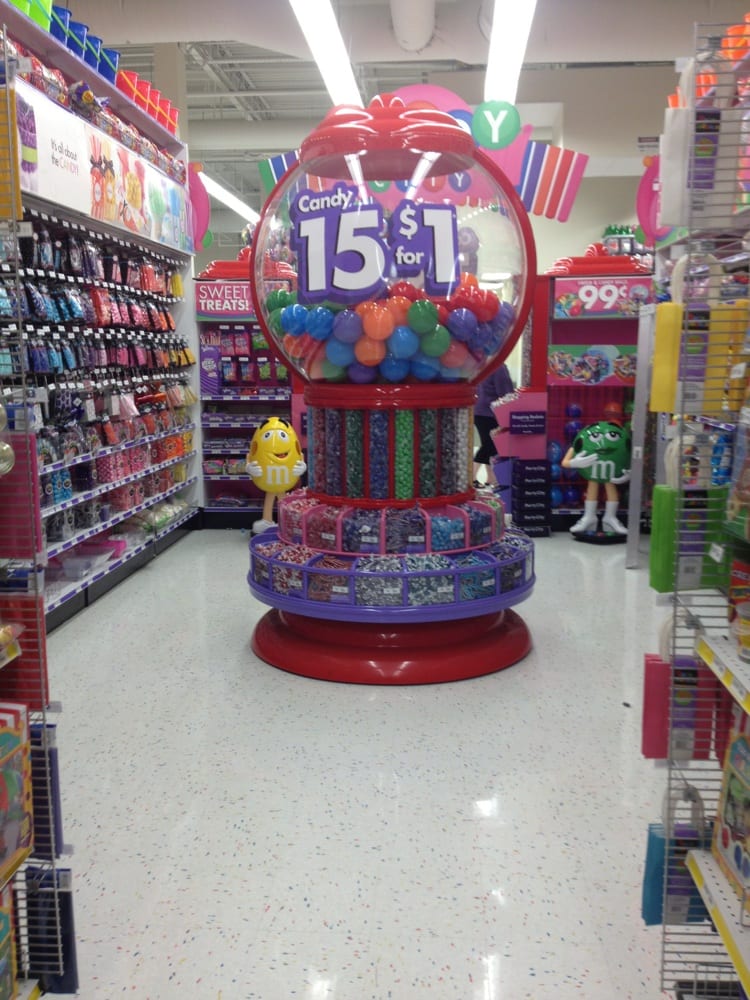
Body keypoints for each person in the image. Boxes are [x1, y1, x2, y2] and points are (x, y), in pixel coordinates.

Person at [473, 363, 514, 488]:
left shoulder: (482, 365)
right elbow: (505, 392)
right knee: (491, 445)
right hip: (492, 412)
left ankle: (490, 478)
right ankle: (471, 477)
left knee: (489, 444)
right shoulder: (499, 367)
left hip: (479, 410)